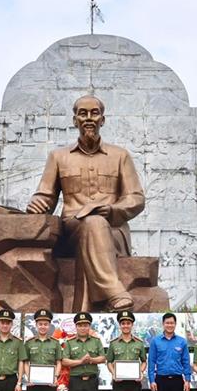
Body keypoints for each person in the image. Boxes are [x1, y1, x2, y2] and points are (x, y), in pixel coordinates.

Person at [25, 95, 146, 311]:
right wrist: (37, 202)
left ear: (103, 119)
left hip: (113, 230)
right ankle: (113, 293)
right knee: (91, 223)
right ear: (74, 120)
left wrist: (112, 210)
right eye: (83, 113)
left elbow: (135, 198)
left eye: (94, 113)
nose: (89, 118)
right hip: (71, 230)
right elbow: (46, 196)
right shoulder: (58, 157)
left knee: (96, 223)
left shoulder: (120, 156)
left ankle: (86, 310)